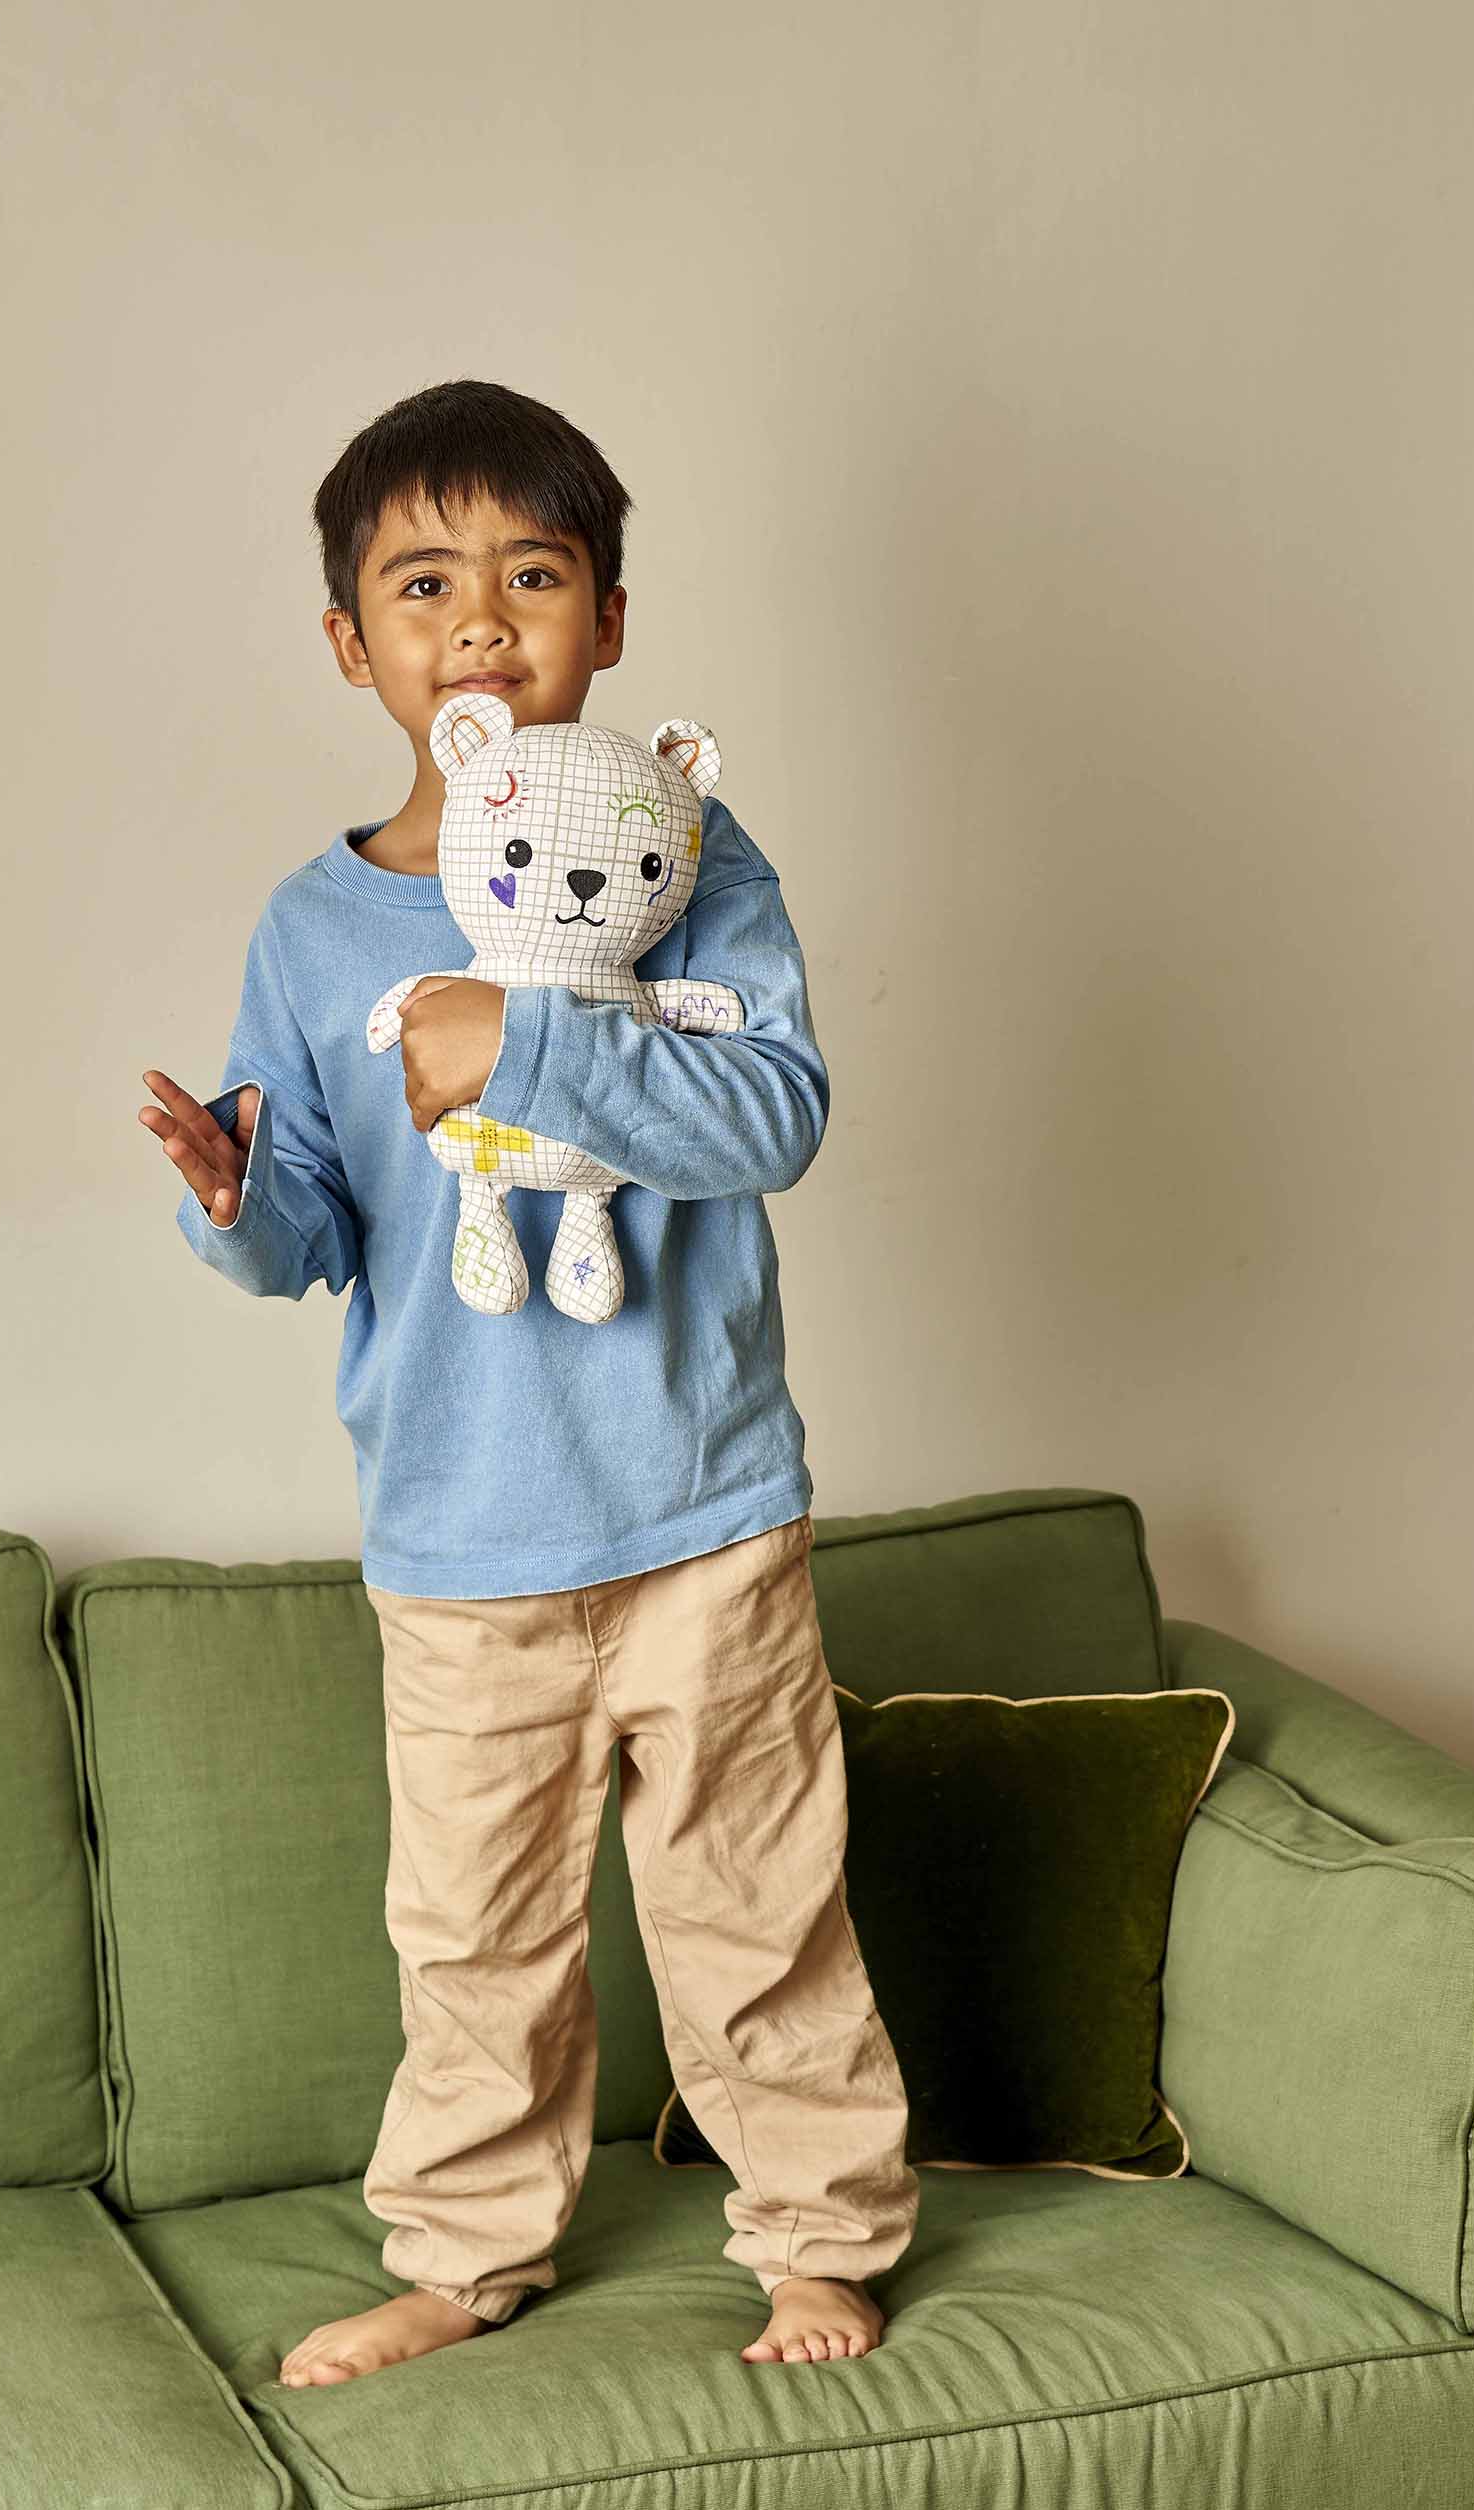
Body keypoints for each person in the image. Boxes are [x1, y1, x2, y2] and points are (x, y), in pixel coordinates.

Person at [137, 378, 918, 2387]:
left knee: (755, 1909)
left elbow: (771, 1110)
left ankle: (820, 2239)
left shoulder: (689, 851)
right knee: (475, 1936)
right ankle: (469, 2251)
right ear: (356, 647)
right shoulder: (316, 929)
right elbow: (312, 1224)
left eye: (532, 573)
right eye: (424, 583)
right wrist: (234, 1201)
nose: (481, 614)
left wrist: (529, 1044)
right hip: (459, 1532)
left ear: (609, 619)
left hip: (702, 1507)